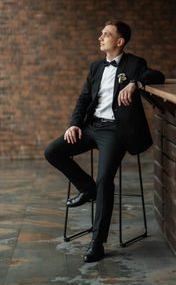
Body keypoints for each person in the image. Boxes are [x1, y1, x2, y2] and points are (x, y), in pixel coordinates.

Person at [44, 20, 165, 262]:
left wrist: (135, 83)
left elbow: (158, 75)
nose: (100, 37)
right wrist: (74, 125)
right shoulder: (96, 66)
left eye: (106, 34)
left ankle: (97, 243)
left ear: (120, 42)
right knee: (53, 151)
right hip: (92, 126)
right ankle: (88, 190)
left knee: (105, 180)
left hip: (116, 131)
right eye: (101, 33)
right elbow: (83, 98)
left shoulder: (134, 64)